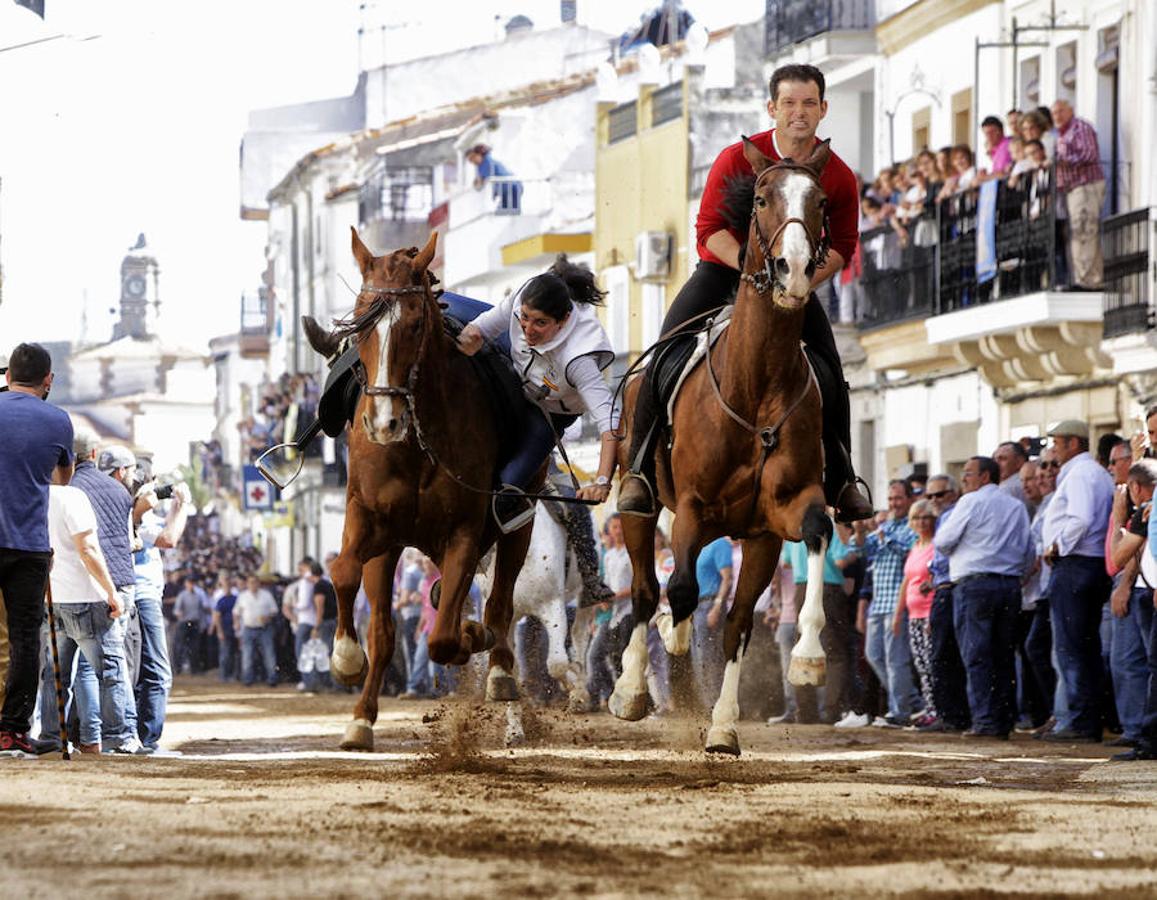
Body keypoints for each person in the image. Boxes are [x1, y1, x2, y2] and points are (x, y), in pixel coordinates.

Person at [615, 63, 872, 523]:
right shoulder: (736, 159)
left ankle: (843, 479)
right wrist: (751, 270)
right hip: (725, 271)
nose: (799, 113)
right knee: (662, 357)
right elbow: (708, 229)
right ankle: (639, 471)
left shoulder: (837, 175)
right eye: (789, 103)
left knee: (832, 373)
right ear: (772, 108)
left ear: (823, 109)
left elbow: (843, 246)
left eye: (809, 103)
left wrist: (800, 281)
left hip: (794, 279)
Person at [454, 255, 619, 530]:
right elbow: (483, 327)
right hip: (516, 367)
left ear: (563, 321)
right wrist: (470, 337)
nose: (528, 330)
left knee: (502, 495)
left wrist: (602, 480)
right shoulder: (522, 301)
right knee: (442, 302)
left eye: (540, 323)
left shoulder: (579, 359)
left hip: (547, 413)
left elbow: (610, 421)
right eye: (525, 318)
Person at [0, 343, 74, 755]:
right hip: (28, 545)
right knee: (27, 639)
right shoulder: (58, 421)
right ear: (48, 380)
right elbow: (63, 479)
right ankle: (12, 730)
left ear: (7, 374)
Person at [933, 456, 1034, 739]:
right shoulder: (1016, 507)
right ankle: (1003, 720)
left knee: (977, 655)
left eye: (968, 474)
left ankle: (986, 721)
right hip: (1009, 585)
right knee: (1003, 654)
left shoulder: (970, 502)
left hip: (974, 586)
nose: (964, 479)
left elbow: (942, 541)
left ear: (985, 477)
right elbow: (1028, 550)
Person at [38, 474, 129, 755]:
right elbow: (88, 549)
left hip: (51, 598)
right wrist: (111, 592)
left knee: (55, 677)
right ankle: (117, 739)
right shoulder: (72, 496)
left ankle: (53, 738)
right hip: (85, 598)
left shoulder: (35, 495)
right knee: (110, 672)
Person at [1041, 419, 1114, 742]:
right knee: (1084, 646)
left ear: (1073, 443)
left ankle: (1082, 723)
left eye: (1057, 442)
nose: (1053, 448)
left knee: (1073, 647)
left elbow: (1081, 518)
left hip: (1076, 563)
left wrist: (1058, 545)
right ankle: (1086, 719)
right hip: (1090, 564)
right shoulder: (1093, 472)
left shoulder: (1082, 473)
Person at [130, 459, 188, 749]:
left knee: (136, 669)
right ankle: (146, 738)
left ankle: (134, 734)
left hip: (136, 592)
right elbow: (169, 538)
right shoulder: (137, 509)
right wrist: (182, 506)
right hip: (142, 594)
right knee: (156, 670)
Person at [862, 480, 921, 726]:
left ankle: (900, 712)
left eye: (898, 498)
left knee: (896, 661)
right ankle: (914, 703)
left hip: (898, 603)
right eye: (890, 499)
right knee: (873, 655)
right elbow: (863, 551)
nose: (894, 503)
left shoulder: (913, 526)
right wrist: (859, 531)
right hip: (878, 602)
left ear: (909, 499)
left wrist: (884, 537)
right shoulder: (884, 526)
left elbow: (908, 553)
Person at [1105, 459, 1154, 749]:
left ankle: (1141, 733)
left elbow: (1119, 557)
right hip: (1143, 589)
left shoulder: (1145, 511)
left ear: (1135, 487)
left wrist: (1117, 517)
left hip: (1141, 590)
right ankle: (1139, 732)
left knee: (1137, 663)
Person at [923, 474, 970, 733]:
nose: (933, 500)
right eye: (929, 496)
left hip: (951, 588)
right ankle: (951, 714)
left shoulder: (955, 514)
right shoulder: (944, 517)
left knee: (944, 654)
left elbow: (946, 554)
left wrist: (934, 570)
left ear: (953, 493)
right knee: (944, 654)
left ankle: (952, 715)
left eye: (938, 495)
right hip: (944, 588)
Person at [1051, 99, 1105, 290]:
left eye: (1060, 111)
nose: (1056, 116)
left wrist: (1063, 161)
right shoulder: (1059, 134)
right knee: (1077, 233)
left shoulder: (1080, 127)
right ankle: (1087, 278)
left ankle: (1087, 281)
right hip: (1070, 189)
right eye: (1054, 113)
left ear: (1070, 110)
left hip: (1085, 185)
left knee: (1084, 231)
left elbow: (1089, 154)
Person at [892, 499, 938, 728]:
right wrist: (897, 613)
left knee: (931, 663)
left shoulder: (936, 546)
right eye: (917, 518)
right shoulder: (916, 546)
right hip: (913, 614)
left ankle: (936, 710)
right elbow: (907, 580)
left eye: (925, 517)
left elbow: (939, 574)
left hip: (930, 611)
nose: (921, 522)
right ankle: (930, 708)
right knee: (921, 664)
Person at [233, 574, 280, 687]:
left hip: (264, 628)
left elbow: (274, 610)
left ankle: (272, 678)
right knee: (247, 655)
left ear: (259, 583)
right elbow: (236, 612)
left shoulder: (266, 595)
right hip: (248, 628)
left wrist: (267, 617)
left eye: (255, 582)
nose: (253, 584)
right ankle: (248, 679)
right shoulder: (243, 596)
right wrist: (237, 624)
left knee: (269, 654)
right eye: (250, 582)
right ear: (247, 584)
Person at [465, 143, 522, 213]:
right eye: (470, 160)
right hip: (504, 191)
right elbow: (480, 183)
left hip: (512, 186)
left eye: (473, 157)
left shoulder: (488, 162)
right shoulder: (479, 167)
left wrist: (480, 182)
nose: (472, 161)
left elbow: (486, 178)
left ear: (479, 154)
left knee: (512, 213)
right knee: (501, 213)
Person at [993, 441, 1030, 510]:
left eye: (1002, 459)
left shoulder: (1008, 488)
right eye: (994, 460)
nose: (995, 464)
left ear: (1019, 462)